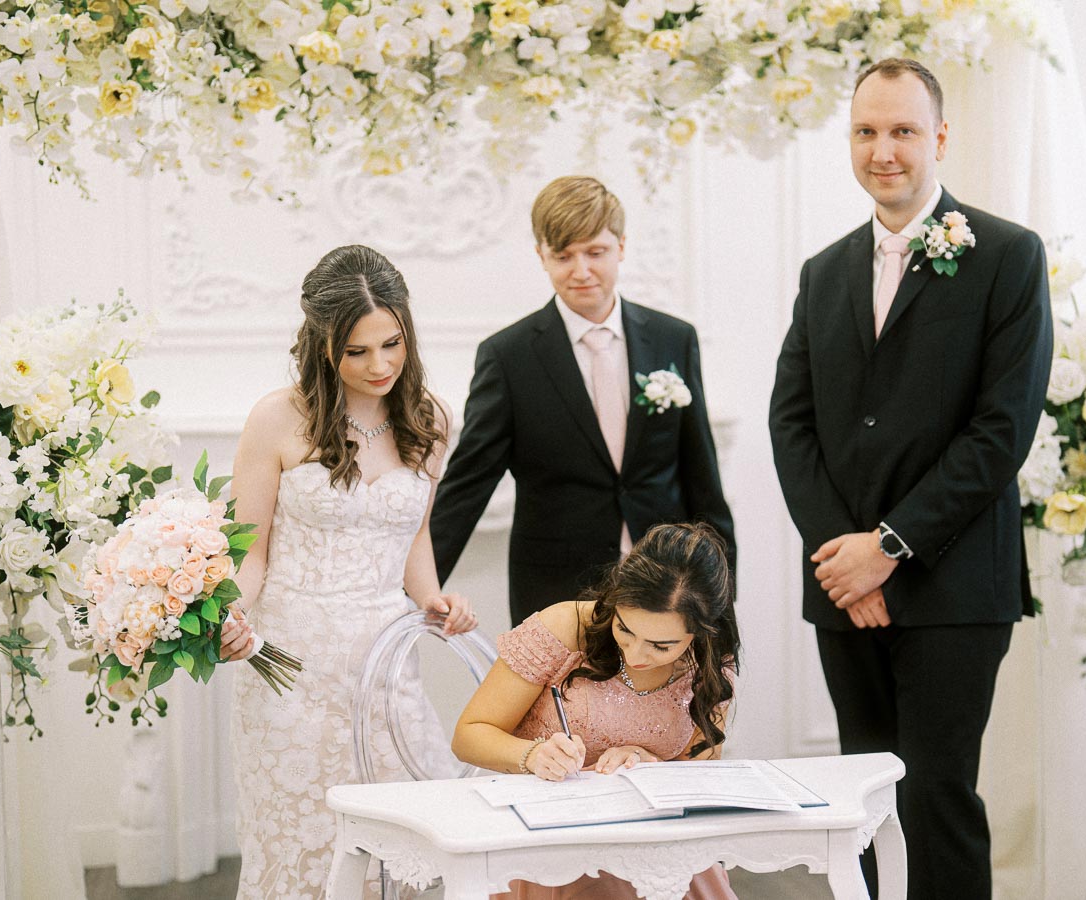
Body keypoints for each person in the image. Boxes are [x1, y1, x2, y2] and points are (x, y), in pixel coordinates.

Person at [768, 59, 1053, 899]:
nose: (882, 150)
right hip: (843, 587)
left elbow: (1001, 432)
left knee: (935, 798)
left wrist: (887, 548)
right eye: (865, 131)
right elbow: (792, 424)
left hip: (955, 585)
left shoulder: (1008, 256)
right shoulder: (823, 272)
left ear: (940, 138)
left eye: (901, 131)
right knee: (862, 803)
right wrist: (845, 557)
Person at [220, 244, 478, 899]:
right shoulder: (276, 418)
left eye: (392, 344)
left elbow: (412, 534)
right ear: (321, 343)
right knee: (300, 841)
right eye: (357, 351)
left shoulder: (429, 418)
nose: (380, 365)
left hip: (386, 662)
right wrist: (231, 611)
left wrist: (434, 598)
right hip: (290, 668)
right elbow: (250, 550)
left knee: (402, 842)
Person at [429, 176, 735, 626]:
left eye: (595, 252)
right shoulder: (507, 357)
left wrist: (721, 598)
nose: (581, 271)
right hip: (556, 592)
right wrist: (415, 590)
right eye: (563, 256)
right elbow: (468, 484)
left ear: (621, 247)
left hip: (669, 585)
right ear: (541, 255)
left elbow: (702, 476)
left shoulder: (674, 338)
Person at [452, 522, 739, 900]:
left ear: (701, 632)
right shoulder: (564, 627)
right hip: (551, 837)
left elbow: (700, 776)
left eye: (661, 646)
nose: (636, 655)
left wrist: (648, 761)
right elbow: (469, 734)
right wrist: (533, 755)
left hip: (653, 840)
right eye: (625, 629)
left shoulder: (710, 665)